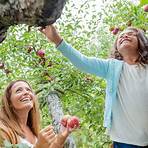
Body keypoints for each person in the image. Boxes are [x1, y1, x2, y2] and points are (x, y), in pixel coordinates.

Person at [40, 25, 148, 148]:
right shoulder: (112, 68)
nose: (124, 35)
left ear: (142, 41)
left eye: (131, 33)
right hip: (125, 141)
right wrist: (57, 39)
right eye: (120, 36)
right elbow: (82, 61)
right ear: (117, 49)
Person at [0, 80, 76, 148]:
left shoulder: (33, 130)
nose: (26, 92)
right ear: (9, 102)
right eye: (19, 90)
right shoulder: (2, 130)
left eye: (28, 90)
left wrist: (62, 135)